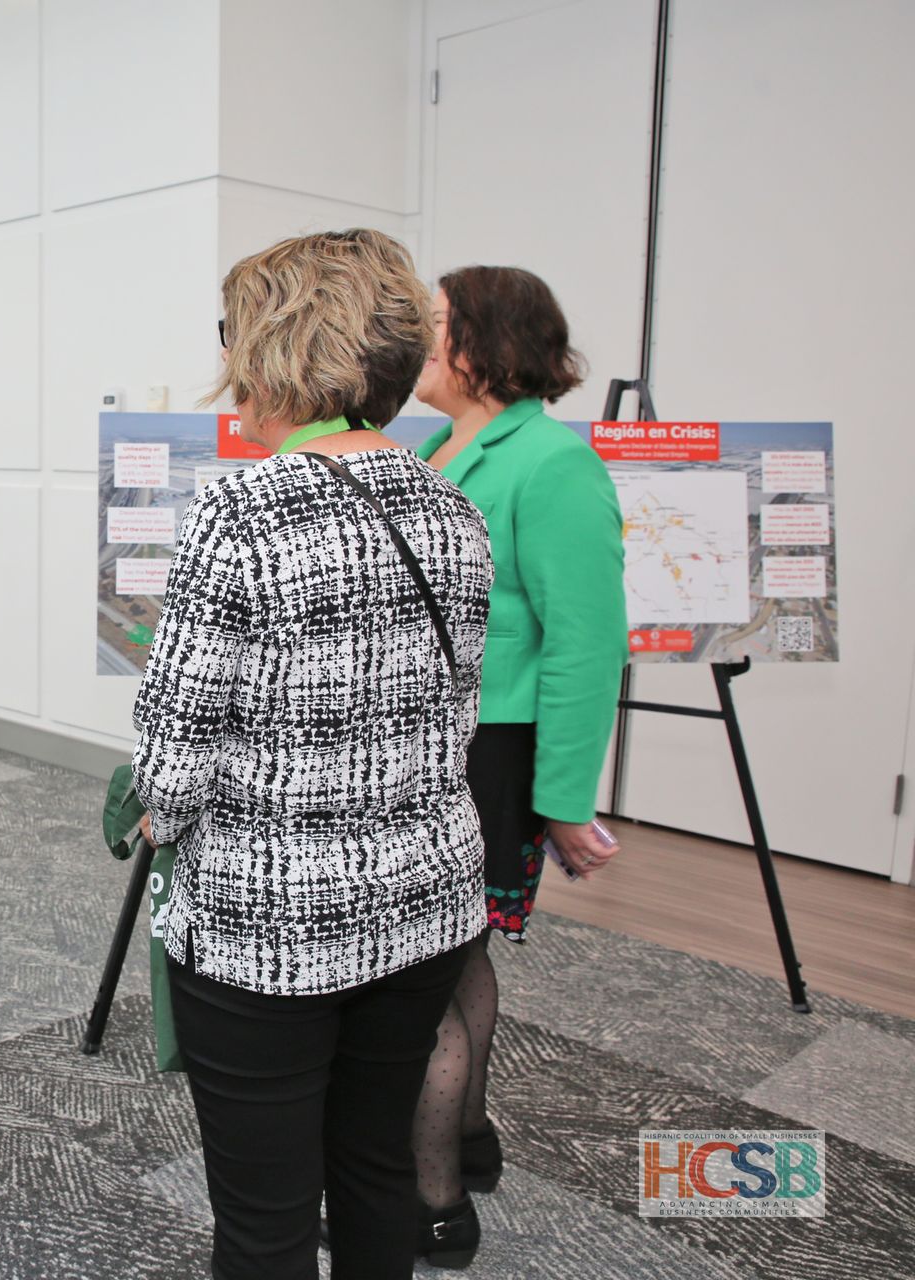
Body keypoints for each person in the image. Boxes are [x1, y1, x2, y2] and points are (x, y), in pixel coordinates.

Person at [132, 229, 494, 1280]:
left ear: (282, 348)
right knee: (379, 1172)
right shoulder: (451, 504)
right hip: (425, 903)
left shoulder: (235, 512)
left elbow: (172, 755)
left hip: (267, 925)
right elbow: (445, 713)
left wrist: (161, 806)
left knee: (265, 1218)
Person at [407, 265, 627, 1265]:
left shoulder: (552, 461)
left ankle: (435, 1201)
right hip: (436, 734)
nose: (419, 336)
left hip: (491, 746)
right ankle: (472, 1132)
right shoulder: (433, 443)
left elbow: (587, 640)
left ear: (485, 343)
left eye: (437, 322)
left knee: (433, 966)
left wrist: (566, 800)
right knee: (456, 955)